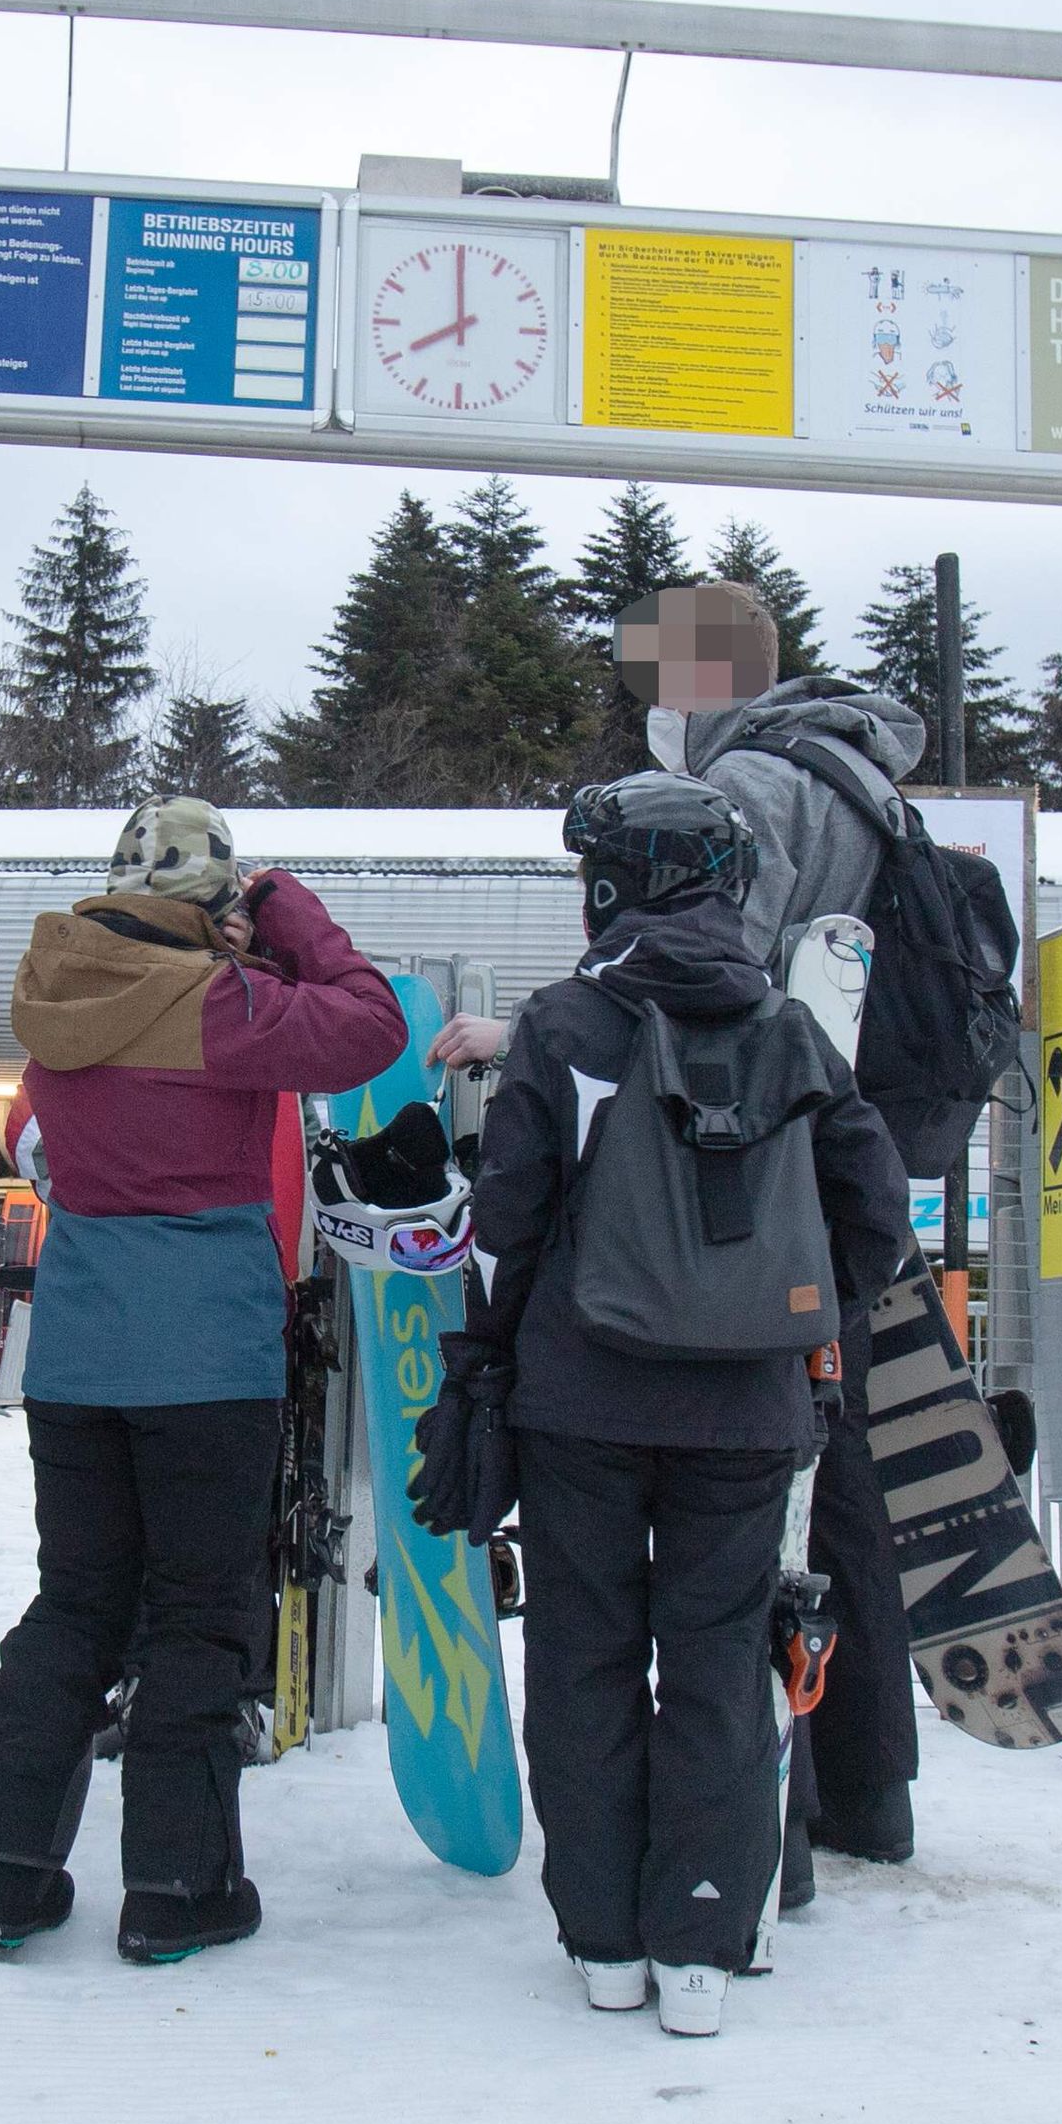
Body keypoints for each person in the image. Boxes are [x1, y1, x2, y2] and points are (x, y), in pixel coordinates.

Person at [430, 581, 937, 1879]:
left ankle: (690, 1872)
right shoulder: (867, 777)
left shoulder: (756, 787)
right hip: (804, 1233)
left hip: (696, 1244)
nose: (652, 709)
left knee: (635, 1622)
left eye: (657, 681)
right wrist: (826, 1283)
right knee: (814, 1527)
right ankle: (842, 1805)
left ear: (706, 678)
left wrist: (539, 1031)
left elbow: (703, 991)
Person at [0, 800, 404, 1966]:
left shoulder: (53, 996)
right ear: (211, 901)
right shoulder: (222, 1004)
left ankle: (6, 1875)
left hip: (76, 1355)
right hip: (205, 1356)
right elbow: (370, 1028)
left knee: (76, 1601)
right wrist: (288, 908)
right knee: (200, 1613)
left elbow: (43, 1147)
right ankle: (175, 1886)